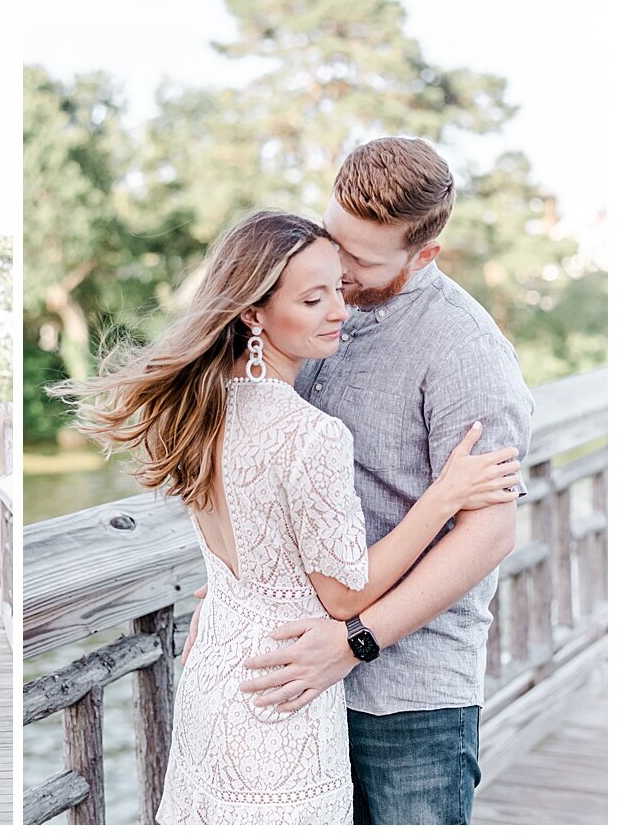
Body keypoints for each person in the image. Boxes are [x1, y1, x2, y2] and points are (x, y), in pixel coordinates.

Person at [51, 210, 521, 823]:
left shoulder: (204, 408)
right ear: (254, 312)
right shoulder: (310, 433)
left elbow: (252, 549)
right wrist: (442, 497)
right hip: (283, 695)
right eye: (313, 298)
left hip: (218, 674)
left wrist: (236, 597)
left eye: (339, 290)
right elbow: (345, 596)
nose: (339, 312)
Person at [187, 137, 535, 824]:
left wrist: (357, 642)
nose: (338, 274)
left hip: (407, 699)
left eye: (361, 261)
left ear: (423, 254)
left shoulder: (465, 350)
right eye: (333, 241)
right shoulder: (309, 311)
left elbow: (490, 532)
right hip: (290, 689)